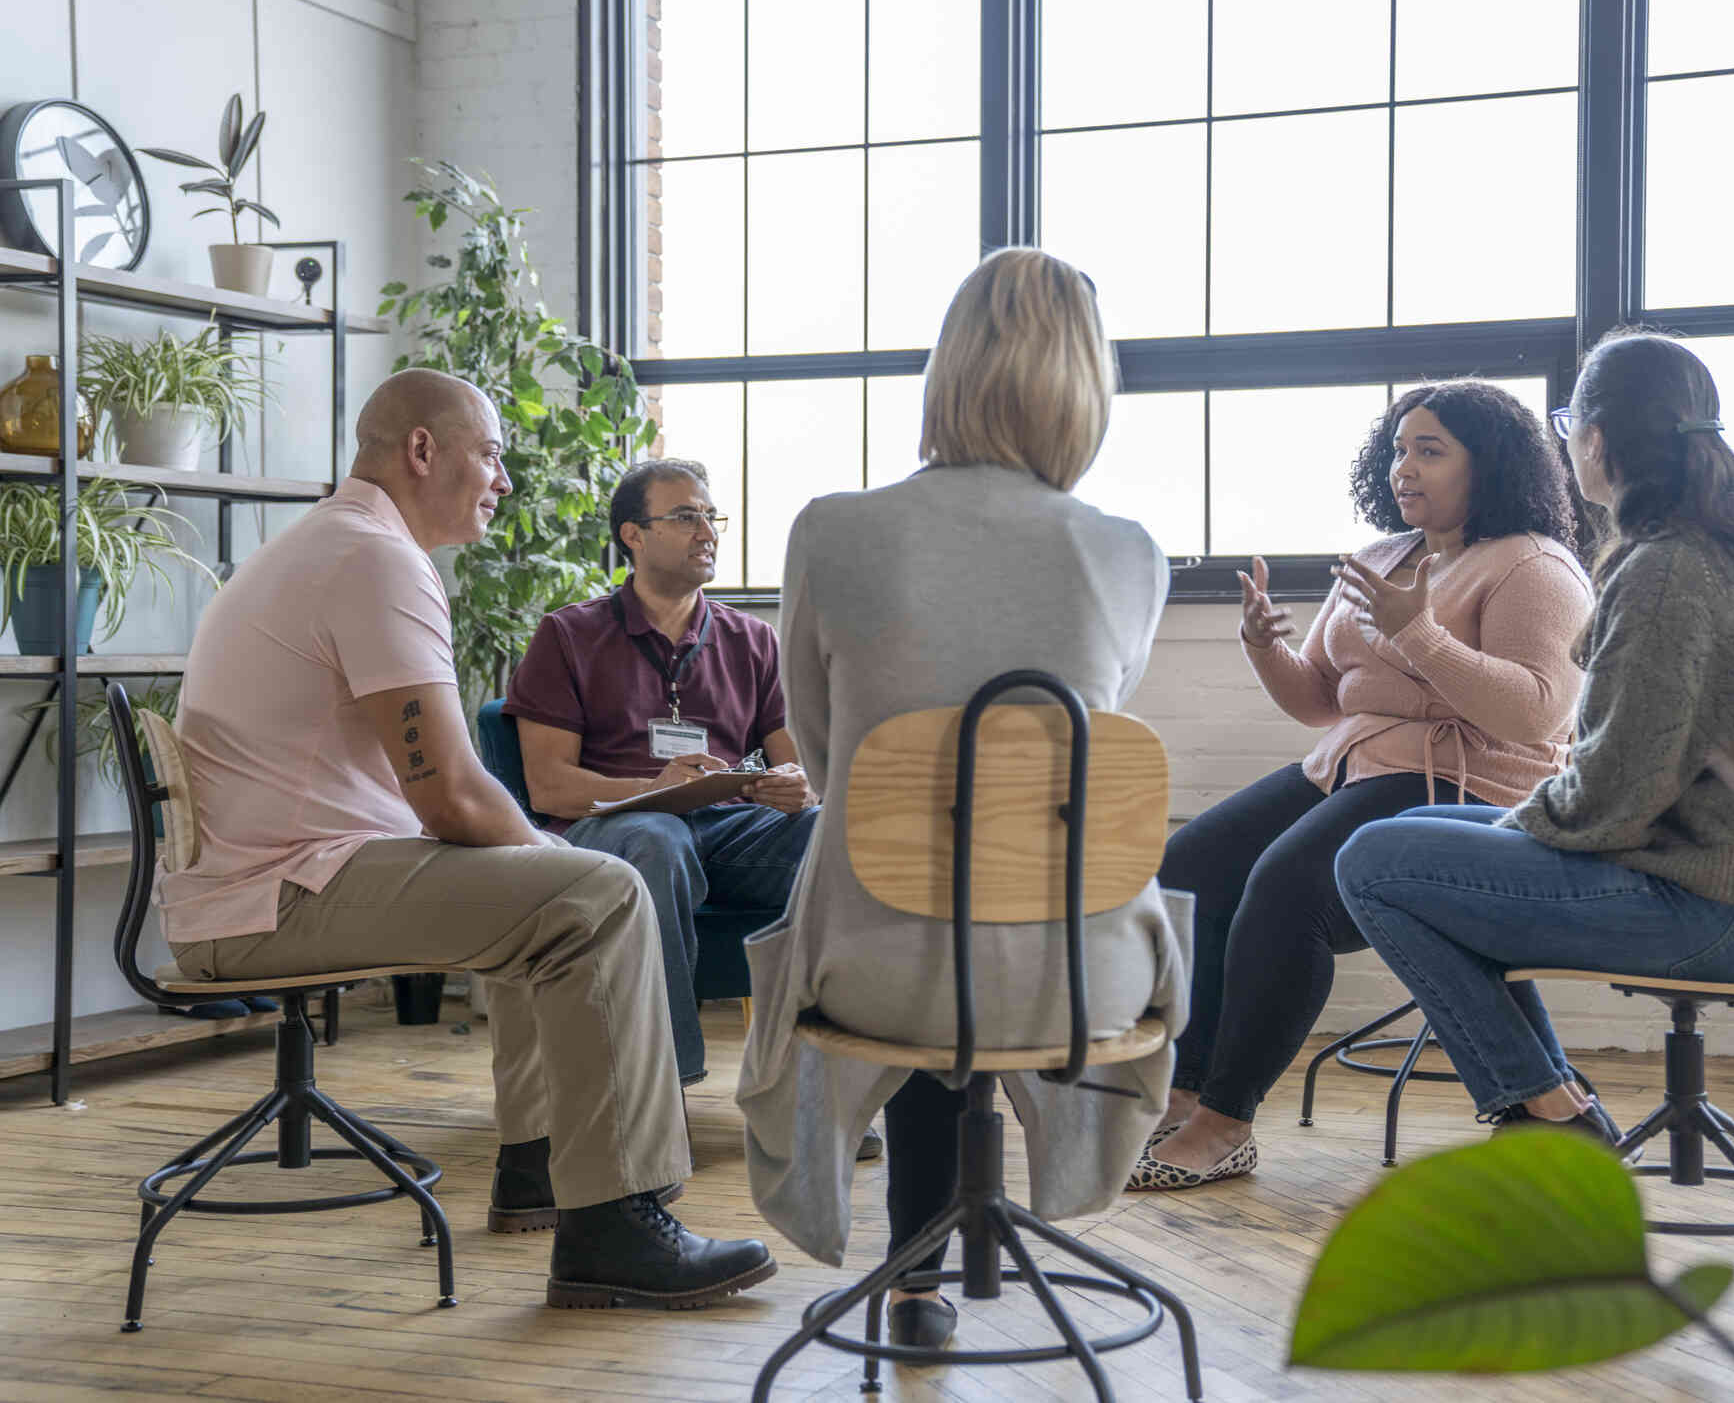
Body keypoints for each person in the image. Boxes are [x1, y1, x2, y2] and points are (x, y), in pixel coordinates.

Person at [158, 368, 775, 1309]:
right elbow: (448, 793)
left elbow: (450, 803)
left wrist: (533, 851)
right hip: (279, 893)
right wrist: (551, 851)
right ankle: (617, 1221)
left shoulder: (343, 544)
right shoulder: (373, 558)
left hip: (278, 878)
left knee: (540, 884)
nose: (504, 479)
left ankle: (537, 1165)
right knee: (595, 888)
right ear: (421, 451)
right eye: (490, 453)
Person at [737, 248, 1189, 1350]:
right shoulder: (1130, 554)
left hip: (885, 962)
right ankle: (925, 1268)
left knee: (921, 893)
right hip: (1082, 973)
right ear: (1087, 385)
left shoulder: (830, 531)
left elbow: (829, 751)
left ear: (946, 368)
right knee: (995, 893)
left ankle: (913, 1270)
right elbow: (1057, 785)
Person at [1334, 330, 1734, 1137]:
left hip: (1713, 906)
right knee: (1414, 830)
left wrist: (1515, 831)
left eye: (1568, 423)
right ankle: (1548, 1099)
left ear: (1594, 439)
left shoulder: (1665, 571)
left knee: (1371, 861)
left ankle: (1543, 1110)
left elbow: (1610, 800)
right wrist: (1506, 833)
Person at [1135, 380, 1594, 1191]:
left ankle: (1224, 1122)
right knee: (1190, 866)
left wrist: (1416, 634)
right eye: (1395, 449)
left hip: (1467, 785)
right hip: (1350, 766)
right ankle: (1188, 1084)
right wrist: (1263, 647)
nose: (1401, 469)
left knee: (1285, 890)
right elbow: (1318, 700)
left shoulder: (1533, 566)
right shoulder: (1385, 556)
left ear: (1487, 466)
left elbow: (1536, 713)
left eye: (1428, 450)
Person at [503, 459, 823, 1091]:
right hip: (613, 830)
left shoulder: (753, 640)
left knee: (828, 835)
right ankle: (662, 1086)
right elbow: (549, 786)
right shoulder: (568, 635)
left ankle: (813, 1080)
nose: (706, 530)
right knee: (658, 837)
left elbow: (801, 760)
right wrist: (655, 790)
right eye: (685, 516)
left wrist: (797, 785)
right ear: (633, 536)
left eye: (710, 516)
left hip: (728, 828)